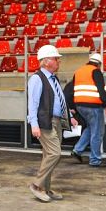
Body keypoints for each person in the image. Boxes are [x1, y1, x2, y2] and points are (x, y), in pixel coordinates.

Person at [27, 45, 74, 202]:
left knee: (49, 154)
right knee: (55, 153)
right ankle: (37, 185)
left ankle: (45, 188)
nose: (58, 61)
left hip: (56, 121)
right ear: (46, 61)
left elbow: (60, 101)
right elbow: (32, 104)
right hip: (44, 122)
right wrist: (34, 124)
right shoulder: (36, 79)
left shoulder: (53, 78)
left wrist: (69, 116)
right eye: (55, 58)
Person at [71, 53, 106, 168]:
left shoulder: (78, 71)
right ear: (99, 64)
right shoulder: (96, 71)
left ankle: (77, 150)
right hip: (93, 106)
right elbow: (101, 89)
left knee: (91, 128)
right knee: (97, 133)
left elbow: (72, 88)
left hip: (80, 106)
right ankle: (95, 160)